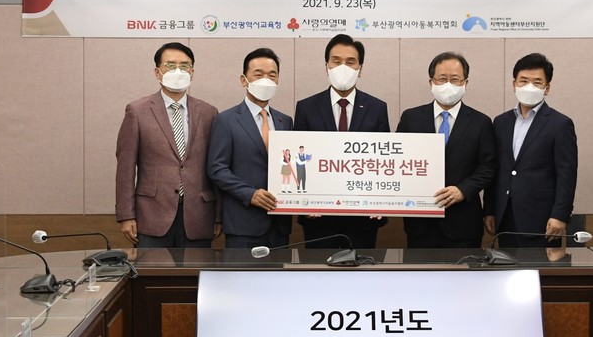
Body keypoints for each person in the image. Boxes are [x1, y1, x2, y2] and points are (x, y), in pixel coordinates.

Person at [116, 42, 221, 248]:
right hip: (151, 214)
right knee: (152, 269)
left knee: (196, 269)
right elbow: (125, 168)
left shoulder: (209, 112)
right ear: (157, 72)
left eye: (184, 66)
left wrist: (218, 215)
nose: (178, 71)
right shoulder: (137, 111)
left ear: (192, 72)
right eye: (171, 66)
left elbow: (216, 166)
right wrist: (126, 215)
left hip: (199, 215)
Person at [294, 33, 390, 249]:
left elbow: (383, 160)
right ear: (326, 67)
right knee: (317, 268)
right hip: (318, 215)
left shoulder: (377, 108)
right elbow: (299, 160)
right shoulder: (306, 107)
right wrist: (304, 203)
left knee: (361, 268)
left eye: (350, 62)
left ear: (360, 69)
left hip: (363, 216)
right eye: (336, 61)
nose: (342, 67)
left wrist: (381, 203)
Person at [396, 52, 496, 248]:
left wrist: (463, 189)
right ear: (431, 82)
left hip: (463, 222)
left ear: (465, 83)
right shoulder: (411, 118)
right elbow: (396, 161)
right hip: (420, 223)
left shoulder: (481, 122)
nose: (448, 85)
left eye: (455, 79)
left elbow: (489, 166)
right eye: (442, 79)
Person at [483, 53, 578, 248]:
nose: (529, 87)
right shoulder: (501, 122)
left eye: (537, 82)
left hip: (542, 220)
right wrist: (489, 210)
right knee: (506, 265)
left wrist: (560, 215)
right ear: (514, 84)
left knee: (539, 267)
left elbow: (566, 174)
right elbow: (495, 169)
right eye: (524, 81)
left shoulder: (560, 124)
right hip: (505, 216)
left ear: (547, 88)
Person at [207, 48, 293, 248]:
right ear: (243, 80)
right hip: (243, 223)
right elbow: (216, 168)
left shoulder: (285, 121)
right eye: (258, 74)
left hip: (280, 223)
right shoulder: (226, 120)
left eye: (272, 75)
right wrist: (249, 194)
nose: (266, 80)